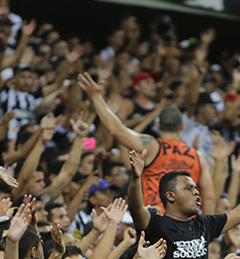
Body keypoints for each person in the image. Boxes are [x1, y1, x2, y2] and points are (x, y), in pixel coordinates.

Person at [77, 72, 216, 214]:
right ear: (181, 127)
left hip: (155, 223)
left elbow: (117, 130)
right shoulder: (198, 156)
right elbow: (209, 198)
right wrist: (205, 232)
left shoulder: (152, 146)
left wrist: (96, 97)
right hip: (187, 229)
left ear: (158, 125)